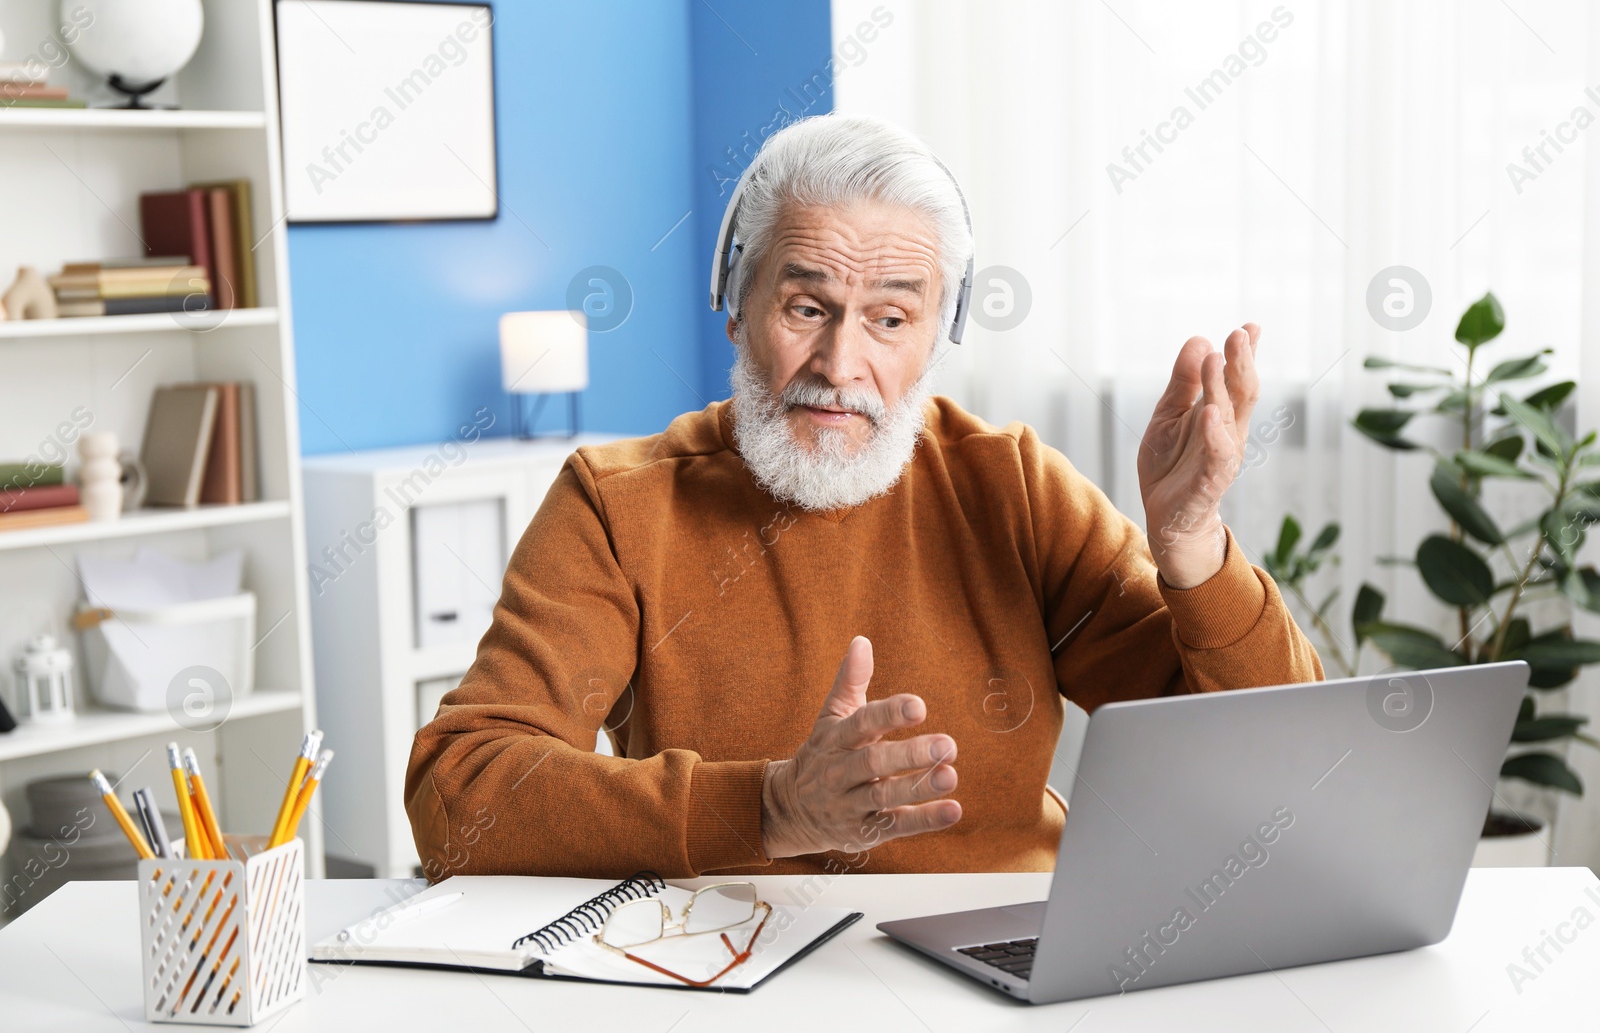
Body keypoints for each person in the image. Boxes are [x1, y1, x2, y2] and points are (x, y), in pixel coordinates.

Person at [405, 113, 1323, 881]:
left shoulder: (1013, 488)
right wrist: (769, 809)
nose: (842, 366)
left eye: (890, 318)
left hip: (997, 977)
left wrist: (1193, 540)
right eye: (806, 307)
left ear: (937, 335)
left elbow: (1283, 757)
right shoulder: (617, 505)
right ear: (734, 300)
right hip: (730, 971)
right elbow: (459, 796)